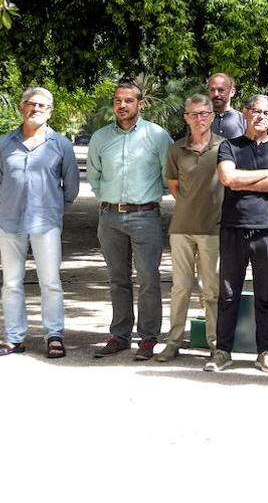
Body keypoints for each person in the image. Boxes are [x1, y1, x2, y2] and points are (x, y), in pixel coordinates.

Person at [206, 94, 268, 374]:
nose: (260, 116)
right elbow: (228, 178)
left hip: (267, 229)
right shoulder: (228, 146)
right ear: (245, 113)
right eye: (255, 111)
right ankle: (223, 351)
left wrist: (247, 179)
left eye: (266, 113)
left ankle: (264, 352)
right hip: (233, 227)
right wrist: (265, 174)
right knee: (228, 294)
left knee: (265, 295)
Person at [87, 80, 173, 360]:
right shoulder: (100, 137)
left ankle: (147, 339)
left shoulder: (158, 136)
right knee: (117, 279)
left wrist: (146, 198)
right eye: (117, 100)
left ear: (140, 103)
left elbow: (167, 176)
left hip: (145, 216)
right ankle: (119, 335)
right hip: (109, 217)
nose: (122, 105)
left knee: (148, 278)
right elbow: (95, 176)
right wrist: (109, 200)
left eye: (128, 100)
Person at [0, 88, 79, 359]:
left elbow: (70, 188)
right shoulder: (4, 143)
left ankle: (54, 335)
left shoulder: (61, 145)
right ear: (21, 108)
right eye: (31, 104)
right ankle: (13, 338)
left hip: (46, 223)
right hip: (9, 222)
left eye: (42, 105)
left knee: (51, 282)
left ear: (50, 111)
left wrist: (54, 211)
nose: (36, 109)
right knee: (11, 282)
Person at [155, 95, 224, 363]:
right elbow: (174, 187)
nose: (199, 119)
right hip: (182, 228)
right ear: (186, 117)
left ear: (212, 116)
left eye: (204, 113)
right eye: (194, 114)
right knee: (180, 288)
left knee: (212, 289)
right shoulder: (176, 149)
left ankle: (215, 343)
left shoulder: (224, 147)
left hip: (213, 229)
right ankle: (173, 342)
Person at [207, 72, 246, 139]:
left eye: (221, 90)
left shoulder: (244, 120)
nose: (216, 94)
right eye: (212, 90)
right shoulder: (201, 119)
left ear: (232, 92)